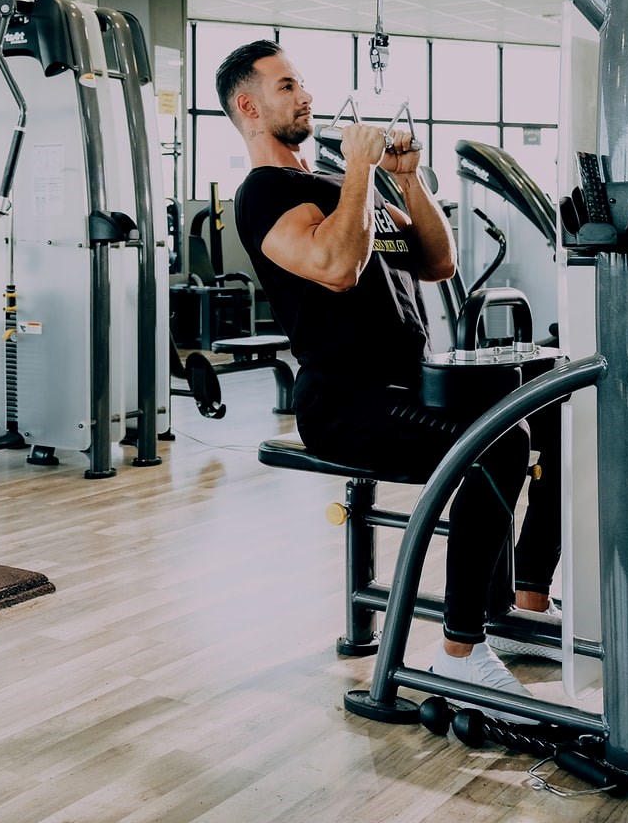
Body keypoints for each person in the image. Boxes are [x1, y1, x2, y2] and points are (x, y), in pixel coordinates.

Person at [217, 39, 558, 715]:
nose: (306, 95)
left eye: (303, 83)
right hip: (345, 401)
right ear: (251, 107)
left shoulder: (341, 190)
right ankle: (461, 653)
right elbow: (336, 266)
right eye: (288, 86)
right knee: (501, 445)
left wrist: (404, 180)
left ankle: (526, 600)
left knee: (553, 409)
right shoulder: (264, 194)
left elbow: (437, 260)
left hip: (409, 386)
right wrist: (356, 177)